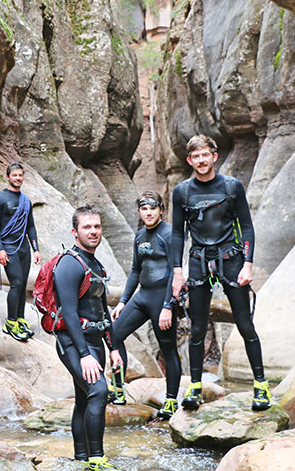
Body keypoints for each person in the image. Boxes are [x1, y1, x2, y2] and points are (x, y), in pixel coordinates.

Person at [171, 134, 271, 411]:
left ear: (214, 157)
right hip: (199, 259)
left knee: (245, 324)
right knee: (197, 328)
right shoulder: (182, 191)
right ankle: (194, 388)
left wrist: (248, 263)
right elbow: (178, 233)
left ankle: (261, 387)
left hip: (231, 257)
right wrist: (177, 272)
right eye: (196, 157)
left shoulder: (232, 186)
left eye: (206, 155)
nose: (201, 161)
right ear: (189, 160)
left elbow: (247, 226)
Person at [54, 205, 123, 471]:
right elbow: (69, 313)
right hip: (73, 342)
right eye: (87, 227)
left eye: (96, 227)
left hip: (95, 339)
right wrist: (84, 355)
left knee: (84, 399)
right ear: (75, 232)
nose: (93, 232)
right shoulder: (70, 264)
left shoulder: (95, 262)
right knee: (98, 392)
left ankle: (81, 458)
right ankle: (97, 460)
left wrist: (113, 347)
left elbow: (101, 308)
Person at [110, 191, 182, 419]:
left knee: (168, 349)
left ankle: (171, 400)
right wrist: (123, 301)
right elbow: (135, 270)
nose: (148, 213)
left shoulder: (170, 234)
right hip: (143, 296)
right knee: (114, 334)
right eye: (144, 208)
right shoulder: (140, 236)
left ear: (161, 209)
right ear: (139, 212)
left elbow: (175, 271)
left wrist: (168, 306)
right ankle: (119, 389)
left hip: (163, 298)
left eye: (153, 208)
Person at [0, 162, 41, 341]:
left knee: (23, 283)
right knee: (16, 283)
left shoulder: (26, 201)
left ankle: (20, 319)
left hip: (24, 247)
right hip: (9, 247)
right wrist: (0, 249)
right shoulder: (0, 199)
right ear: (8, 177)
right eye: (15, 175)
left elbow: (31, 226)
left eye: (20, 175)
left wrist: (36, 249)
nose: (18, 178)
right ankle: (10, 323)